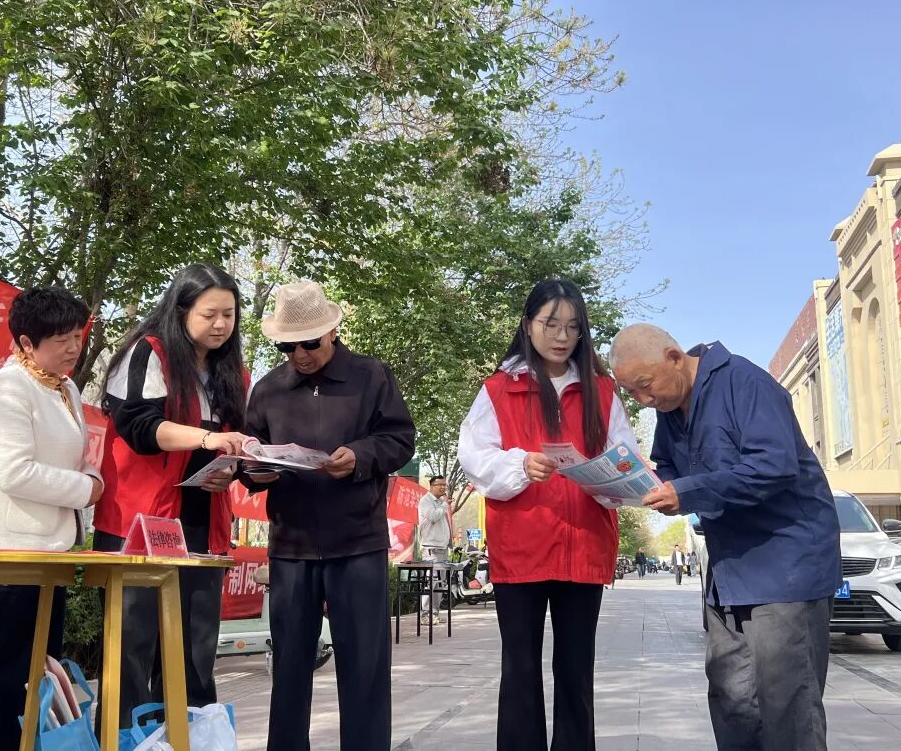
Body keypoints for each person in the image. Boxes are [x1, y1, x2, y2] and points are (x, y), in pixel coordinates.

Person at [610, 323, 840, 751]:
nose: (644, 400)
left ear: (674, 358)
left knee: (787, 704)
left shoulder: (745, 383)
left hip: (783, 566)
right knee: (732, 700)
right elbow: (668, 466)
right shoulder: (670, 409)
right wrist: (641, 484)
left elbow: (773, 466)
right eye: (633, 393)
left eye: (645, 385)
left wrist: (687, 492)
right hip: (728, 572)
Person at [457, 278, 642, 751]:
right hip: (521, 549)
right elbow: (474, 458)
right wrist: (520, 464)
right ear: (528, 325)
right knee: (519, 669)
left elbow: (626, 456)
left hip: (585, 546)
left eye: (573, 327)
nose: (562, 336)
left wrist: (610, 478)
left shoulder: (602, 391)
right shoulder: (499, 389)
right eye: (551, 324)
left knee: (576, 671)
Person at [238, 280, 415, 751]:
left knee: (365, 668)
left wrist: (360, 456)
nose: (299, 354)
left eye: (310, 343)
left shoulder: (371, 376)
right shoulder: (268, 390)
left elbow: (400, 440)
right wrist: (254, 472)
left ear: (332, 330)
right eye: (288, 346)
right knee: (289, 668)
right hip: (291, 544)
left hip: (358, 542)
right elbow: (250, 455)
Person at [93, 264, 249, 727]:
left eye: (228, 315)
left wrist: (231, 468)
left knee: (195, 653)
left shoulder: (233, 373)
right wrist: (206, 439)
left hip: (203, 525)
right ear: (180, 311)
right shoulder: (148, 353)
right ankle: (125, 739)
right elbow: (139, 427)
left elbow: (236, 440)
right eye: (208, 314)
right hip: (141, 526)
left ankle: (190, 736)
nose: (220, 325)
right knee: (132, 648)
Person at [0, 287, 103, 751]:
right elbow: (13, 471)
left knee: (38, 672)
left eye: (77, 336)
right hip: (11, 550)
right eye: (61, 340)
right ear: (25, 342)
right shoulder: (8, 389)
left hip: (49, 550)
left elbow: (72, 459)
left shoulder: (66, 388)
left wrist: (92, 478)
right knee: (1, 675)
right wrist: (85, 489)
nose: (73, 348)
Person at [418, 475, 453, 624]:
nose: (443, 487)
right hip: (431, 549)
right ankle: (425, 614)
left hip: (442, 548)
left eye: (445, 485)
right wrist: (445, 505)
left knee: (440, 583)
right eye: (440, 485)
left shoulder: (439, 503)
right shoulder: (426, 501)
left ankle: (435, 613)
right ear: (432, 486)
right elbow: (433, 517)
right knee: (430, 582)